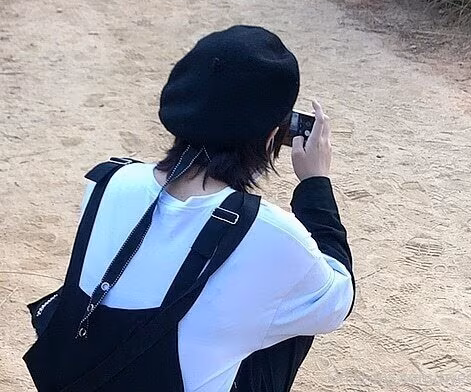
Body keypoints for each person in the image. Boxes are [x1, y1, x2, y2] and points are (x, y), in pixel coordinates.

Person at [23, 25, 355, 392]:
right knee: (296, 299)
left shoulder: (107, 180)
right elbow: (337, 301)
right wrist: (314, 184)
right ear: (273, 135)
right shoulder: (271, 234)